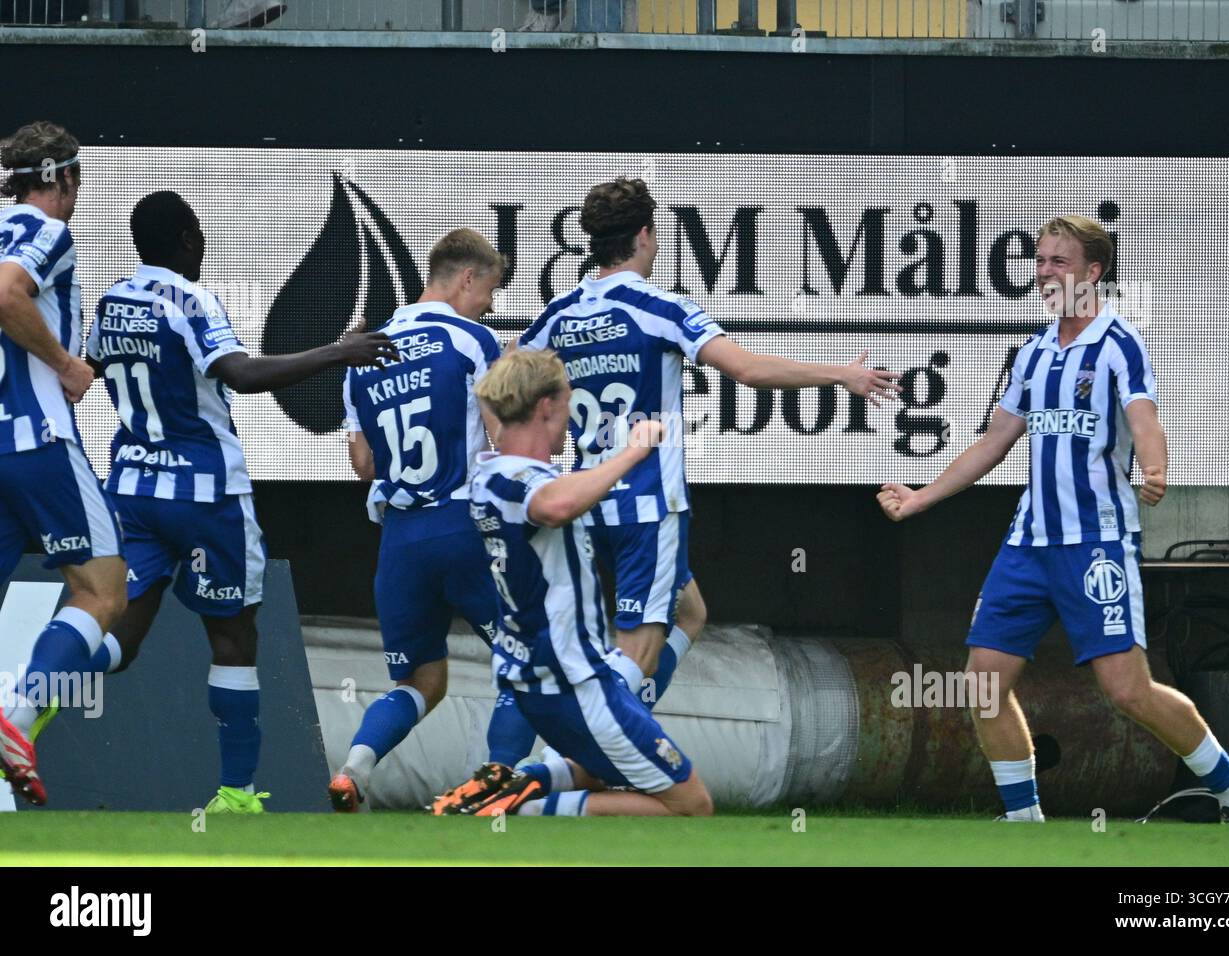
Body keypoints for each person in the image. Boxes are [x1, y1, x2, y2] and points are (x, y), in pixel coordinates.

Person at [877, 215, 1229, 824]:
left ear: (1092, 272)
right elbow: (994, 441)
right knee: (982, 684)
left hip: (1097, 543)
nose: (1043, 272)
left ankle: (1228, 781)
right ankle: (1023, 818)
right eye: (1040, 260)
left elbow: (1143, 418)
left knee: (1128, 691)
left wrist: (1155, 466)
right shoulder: (1031, 353)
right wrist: (922, 497)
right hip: (1028, 543)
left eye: (1058, 261)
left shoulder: (1118, 344)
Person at [517, 177, 898, 715]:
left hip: (585, 503)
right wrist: (840, 374)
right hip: (648, 504)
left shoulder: (559, 314)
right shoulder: (661, 307)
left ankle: (627, 735)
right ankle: (577, 756)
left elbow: (505, 377)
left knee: (690, 611)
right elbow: (747, 369)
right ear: (646, 236)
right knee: (638, 649)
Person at [85, 190, 396, 814]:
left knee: (117, 641)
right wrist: (341, 350)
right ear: (188, 240)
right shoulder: (191, 299)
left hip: (134, 491)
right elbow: (244, 375)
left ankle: (26, 701)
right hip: (206, 496)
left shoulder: (112, 299)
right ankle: (236, 791)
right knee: (232, 638)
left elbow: (92, 364)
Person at [439, 348, 711, 817]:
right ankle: (512, 812)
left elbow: (557, 499)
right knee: (692, 805)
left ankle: (521, 783)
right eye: (567, 401)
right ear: (545, 405)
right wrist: (634, 451)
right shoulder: (511, 477)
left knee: (597, 764)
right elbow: (553, 506)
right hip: (575, 685)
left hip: (552, 681)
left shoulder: (494, 475)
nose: (573, 416)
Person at [330, 228, 537, 812]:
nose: (491, 305)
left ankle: (354, 768)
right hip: (464, 527)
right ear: (466, 277)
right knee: (524, 660)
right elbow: (503, 445)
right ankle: (495, 790)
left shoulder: (363, 355)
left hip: (400, 541)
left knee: (421, 681)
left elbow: (364, 465)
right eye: (490, 290)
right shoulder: (472, 341)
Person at [0, 121, 124, 806]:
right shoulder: (44, 231)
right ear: (61, 178)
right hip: (39, 440)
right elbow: (6, 294)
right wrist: (67, 364)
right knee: (104, 590)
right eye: (78, 180)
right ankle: (17, 719)